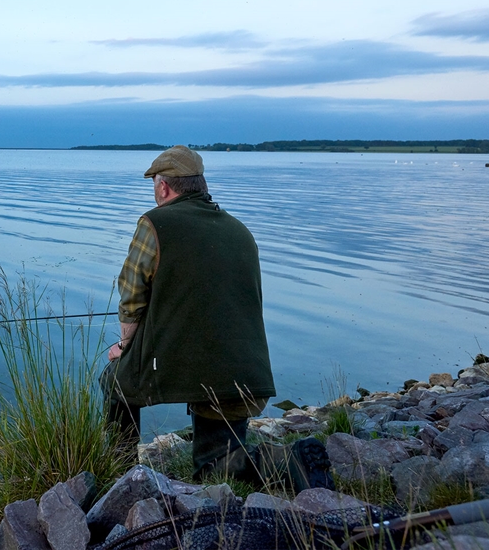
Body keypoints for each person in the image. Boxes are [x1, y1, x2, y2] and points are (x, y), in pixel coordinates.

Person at [100, 145, 332, 492]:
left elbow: (132, 296)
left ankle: (121, 475)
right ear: (200, 184)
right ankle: (289, 461)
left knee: (115, 381)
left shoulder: (155, 223)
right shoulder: (240, 231)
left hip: (183, 364)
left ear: (164, 187)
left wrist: (126, 346)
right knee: (216, 469)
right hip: (243, 372)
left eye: (154, 183)